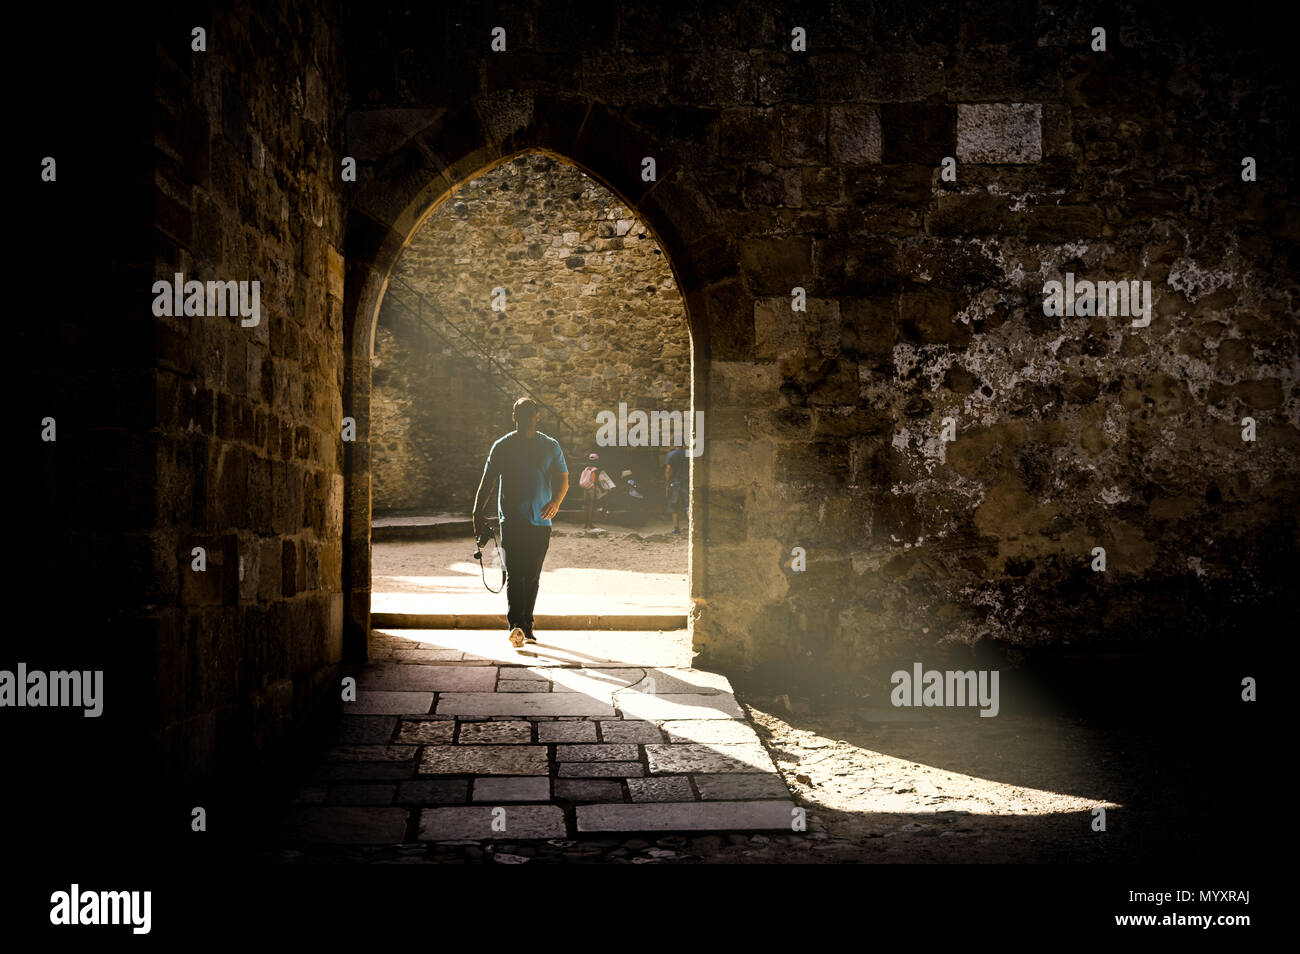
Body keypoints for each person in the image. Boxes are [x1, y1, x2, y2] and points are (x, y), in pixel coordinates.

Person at [472, 397, 569, 647]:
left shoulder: (550, 446)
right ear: (514, 416)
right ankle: (516, 625)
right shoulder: (502, 446)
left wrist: (556, 502)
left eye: (530, 413)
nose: (526, 417)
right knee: (516, 573)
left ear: (537, 416)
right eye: (521, 413)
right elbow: (488, 481)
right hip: (512, 520)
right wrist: (477, 513)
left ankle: (527, 623)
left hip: (541, 521)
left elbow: (562, 478)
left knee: (532, 574)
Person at [664, 447, 688, 534]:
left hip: (675, 482)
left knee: (674, 506)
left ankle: (676, 529)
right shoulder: (689, 453)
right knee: (688, 505)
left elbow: (668, 470)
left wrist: (667, 484)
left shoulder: (671, 455)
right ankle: (691, 526)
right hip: (687, 482)